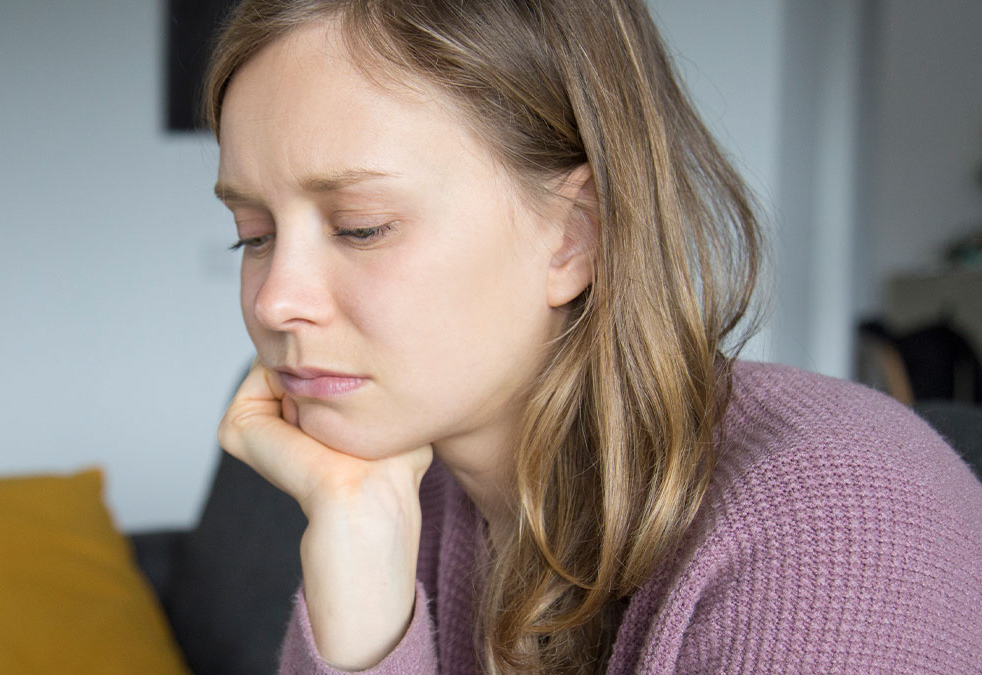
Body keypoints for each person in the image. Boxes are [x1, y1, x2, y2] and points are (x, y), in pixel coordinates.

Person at [206, 1, 982, 673]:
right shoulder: (407, 498)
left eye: (361, 227)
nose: (276, 301)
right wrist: (361, 600)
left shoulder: (840, 524)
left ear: (575, 236)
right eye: (254, 234)